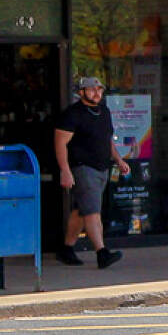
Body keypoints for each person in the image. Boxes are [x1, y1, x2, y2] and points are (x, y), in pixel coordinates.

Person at [49, 74, 122, 269]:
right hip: (83, 168)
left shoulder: (104, 111)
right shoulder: (73, 114)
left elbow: (107, 139)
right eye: (91, 89)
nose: (96, 93)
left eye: (99, 89)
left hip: (102, 168)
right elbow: (60, 143)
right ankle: (102, 253)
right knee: (92, 212)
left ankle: (66, 249)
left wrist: (118, 159)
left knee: (81, 210)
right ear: (81, 92)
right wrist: (65, 170)